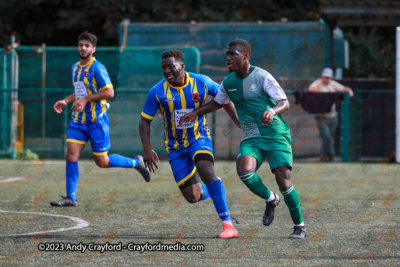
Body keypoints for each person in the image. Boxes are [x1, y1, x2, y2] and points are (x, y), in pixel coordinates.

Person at [179, 39, 306, 238]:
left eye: (233, 54)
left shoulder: (262, 76)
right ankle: (271, 199)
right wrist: (195, 113)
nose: (228, 58)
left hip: (275, 135)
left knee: (283, 182)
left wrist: (272, 111)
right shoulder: (228, 83)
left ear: (245, 56)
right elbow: (216, 104)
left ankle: (299, 226)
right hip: (252, 137)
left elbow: (284, 102)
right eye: (227, 55)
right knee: (244, 171)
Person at [139, 49, 240, 239]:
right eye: (164, 68)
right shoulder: (157, 91)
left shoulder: (201, 81)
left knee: (205, 169)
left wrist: (236, 121)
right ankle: (215, 188)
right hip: (175, 147)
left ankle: (228, 226)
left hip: (198, 137)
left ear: (182, 66)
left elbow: (223, 97)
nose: (167, 71)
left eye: (171, 66)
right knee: (192, 197)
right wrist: (146, 148)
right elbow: (144, 121)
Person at [50, 32, 150, 207]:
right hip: (78, 120)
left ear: (93, 49)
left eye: (87, 45)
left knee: (102, 162)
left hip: (97, 121)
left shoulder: (97, 68)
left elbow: (109, 92)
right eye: (81, 44)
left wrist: (85, 100)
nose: (83, 48)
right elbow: (81, 92)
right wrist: (66, 101)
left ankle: (136, 162)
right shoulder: (75, 68)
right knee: (71, 155)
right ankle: (70, 197)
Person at [308, 68, 354, 162]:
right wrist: (324, 95)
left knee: (329, 138)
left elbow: (345, 89)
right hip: (322, 115)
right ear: (322, 77)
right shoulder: (318, 83)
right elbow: (311, 88)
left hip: (333, 115)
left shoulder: (333, 84)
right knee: (326, 136)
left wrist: (349, 91)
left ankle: (324, 159)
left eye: (329, 77)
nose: (327, 79)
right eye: (325, 77)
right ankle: (332, 156)